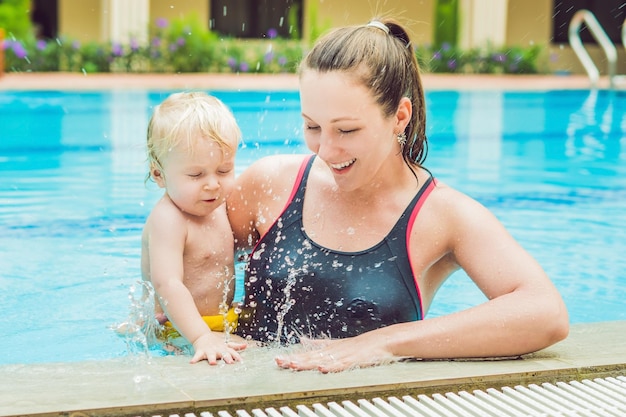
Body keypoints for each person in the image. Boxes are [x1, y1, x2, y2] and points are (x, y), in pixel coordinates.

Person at [227, 18, 569, 373]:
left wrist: (382, 342)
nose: (325, 150)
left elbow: (546, 312)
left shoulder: (442, 215)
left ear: (400, 117)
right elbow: (191, 257)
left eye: (346, 129)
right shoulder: (271, 183)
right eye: (312, 126)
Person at [142, 91, 246, 365]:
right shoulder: (169, 219)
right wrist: (201, 336)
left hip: (219, 321)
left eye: (223, 171)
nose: (213, 184)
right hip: (175, 327)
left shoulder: (220, 205)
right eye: (196, 175)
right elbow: (168, 283)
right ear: (158, 174)